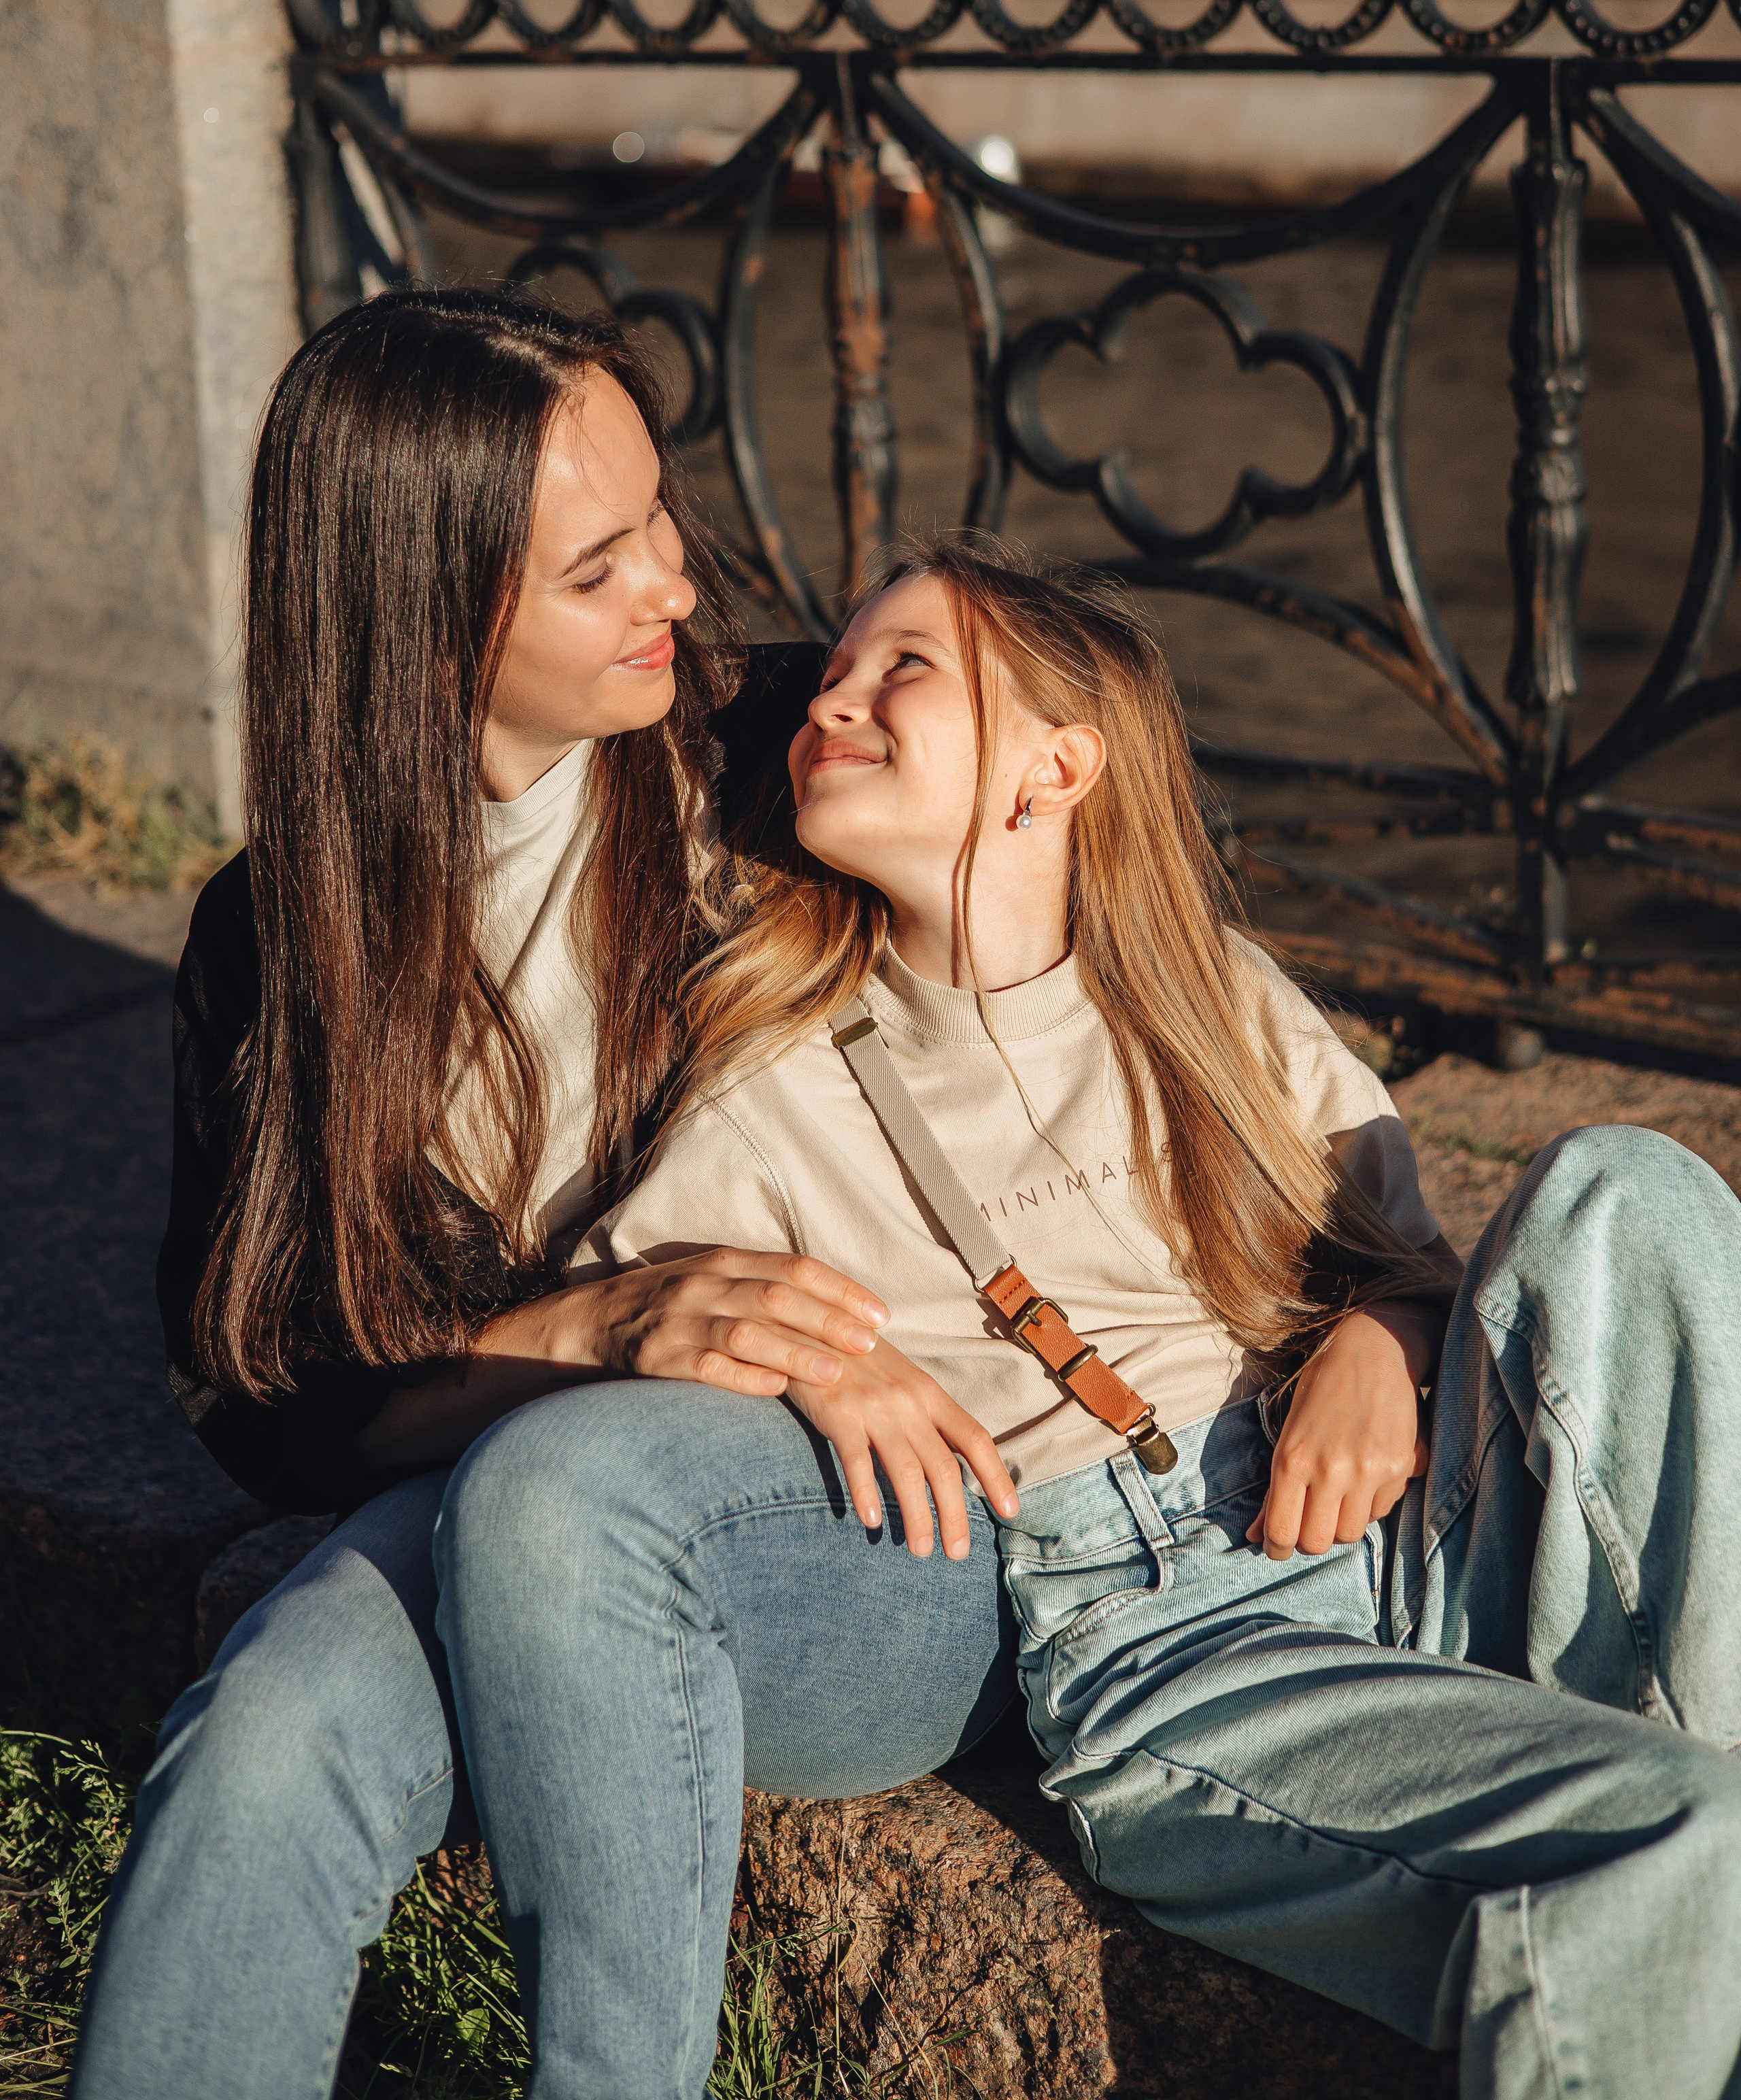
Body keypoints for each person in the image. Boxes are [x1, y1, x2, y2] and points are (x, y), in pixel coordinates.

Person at [443, 535, 1741, 2100]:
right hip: (1180, 1633)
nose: (829, 699)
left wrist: (1381, 1341)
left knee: (1619, 1183)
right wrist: (804, 1365)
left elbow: (1415, 1267)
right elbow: (618, 1333)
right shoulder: (772, 1082)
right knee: (1688, 1843)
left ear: (1056, 766)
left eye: (898, 667)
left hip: (1408, 1521)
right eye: (832, 674)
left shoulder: (1214, 995)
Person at [70, 294, 1014, 2100]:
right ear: (427, 625)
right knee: (267, 1736)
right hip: (518, 1513)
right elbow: (273, 1391)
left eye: (658, 513)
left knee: (560, 1494)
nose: (674, 580)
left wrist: (1385, 1296)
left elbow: (1137, 992)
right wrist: (587, 1327)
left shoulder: (784, 760)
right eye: (599, 568)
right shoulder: (273, 937)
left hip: (892, 1514)